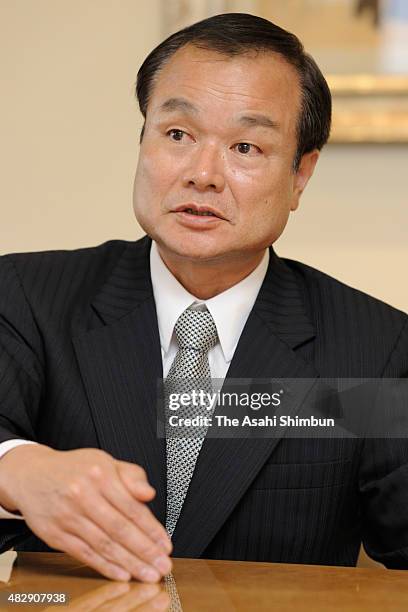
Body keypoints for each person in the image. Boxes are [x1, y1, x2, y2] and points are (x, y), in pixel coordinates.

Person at [0, 13, 407, 584]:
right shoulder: (27, 298)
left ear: (300, 177)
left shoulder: (375, 347)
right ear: (142, 139)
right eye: (178, 135)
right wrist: (14, 466)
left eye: (245, 146)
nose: (203, 174)